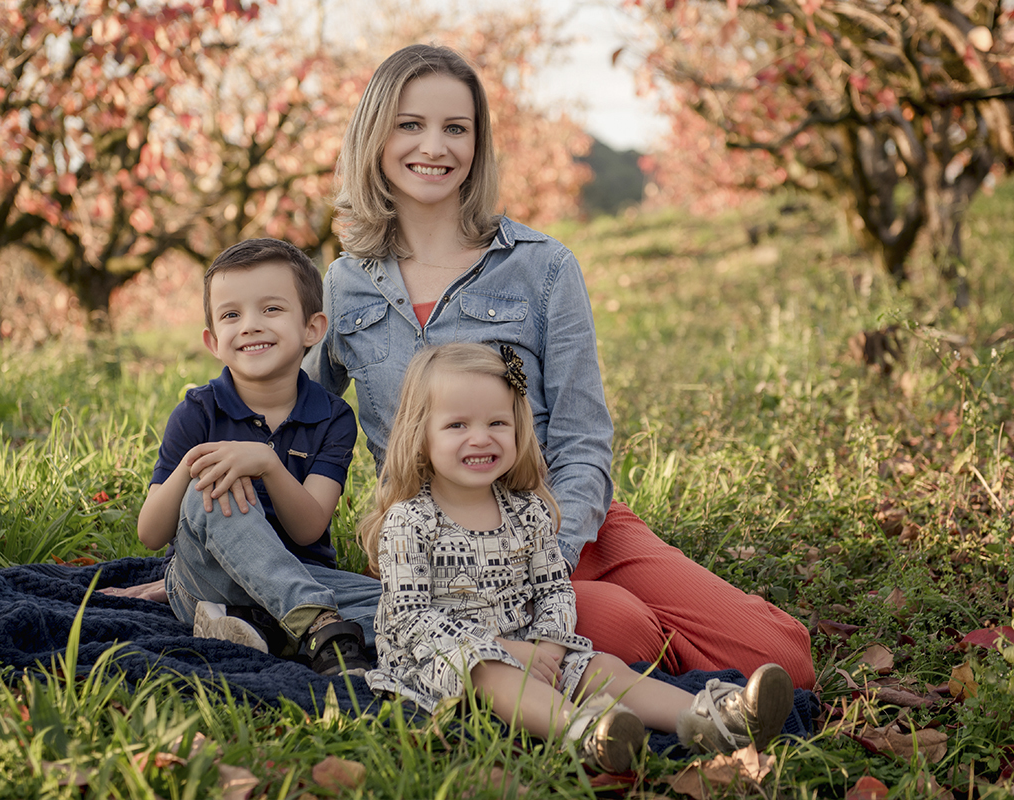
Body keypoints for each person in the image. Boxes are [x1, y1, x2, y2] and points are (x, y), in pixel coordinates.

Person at [303, 43, 816, 690]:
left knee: (784, 660)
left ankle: (643, 656)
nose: (434, 146)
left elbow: (582, 437)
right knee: (624, 630)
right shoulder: (344, 286)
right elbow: (292, 417)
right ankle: (640, 670)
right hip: (443, 560)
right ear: (375, 135)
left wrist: (548, 554)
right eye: (410, 124)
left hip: (568, 524)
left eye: (455, 128)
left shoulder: (542, 267)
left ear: (477, 144)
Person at [362, 342, 794, 772]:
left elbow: (553, 588)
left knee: (601, 667)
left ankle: (711, 718)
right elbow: (410, 618)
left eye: (497, 422)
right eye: (457, 425)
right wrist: (505, 649)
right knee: (490, 671)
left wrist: (549, 644)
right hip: (438, 662)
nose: (480, 437)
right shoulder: (410, 521)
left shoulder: (526, 511)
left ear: (518, 429)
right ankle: (586, 732)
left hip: (529, 646)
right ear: (420, 436)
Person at [136, 237, 381, 675]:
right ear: (213, 340)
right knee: (212, 489)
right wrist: (194, 465)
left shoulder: (333, 417)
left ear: (312, 329)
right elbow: (151, 534)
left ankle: (264, 628)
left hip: (299, 570)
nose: (250, 326)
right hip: (206, 579)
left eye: (271, 309)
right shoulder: (198, 411)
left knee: (400, 604)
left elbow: (307, 529)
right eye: (232, 315)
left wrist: (267, 464)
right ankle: (317, 623)